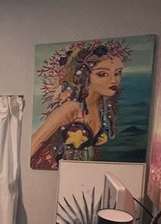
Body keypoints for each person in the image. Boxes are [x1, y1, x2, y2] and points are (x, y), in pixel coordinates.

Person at [30, 39, 131, 169]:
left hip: (82, 175)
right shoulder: (71, 108)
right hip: (57, 175)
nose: (114, 80)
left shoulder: (103, 108)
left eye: (118, 73)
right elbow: (35, 142)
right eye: (102, 74)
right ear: (85, 76)